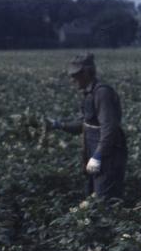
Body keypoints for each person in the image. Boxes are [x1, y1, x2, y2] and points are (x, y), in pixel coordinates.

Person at [46, 53, 127, 200]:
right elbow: (85, 124)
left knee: (105, 200)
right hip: (94, 153)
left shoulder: (102, 93)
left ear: (88, 73)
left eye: (76, 75)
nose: (72, 80)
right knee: (92, 197)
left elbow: (109, 128)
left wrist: (98, 156)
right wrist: (58, 125)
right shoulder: (89, 94)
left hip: (108, 156)